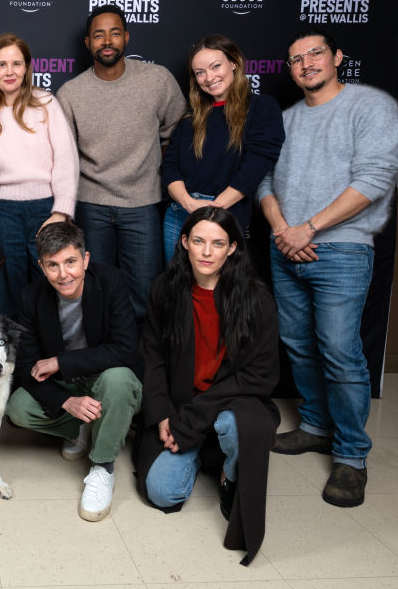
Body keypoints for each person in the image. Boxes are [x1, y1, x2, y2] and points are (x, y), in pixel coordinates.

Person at [257, 27, 398, 507]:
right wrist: (283, 227)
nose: (306, 64)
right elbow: (262, 178)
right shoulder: (285, 119)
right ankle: (316, 427)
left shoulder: (368, 107)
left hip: (341, 250)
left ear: (337, 57)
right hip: (286, 249)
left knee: (341, 354)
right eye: (296, 59)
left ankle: (350, 457)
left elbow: (375, 178)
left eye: (315, 54)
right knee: (299, 347)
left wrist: (310, 228)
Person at [135, 207, 279, 566]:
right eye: (198, 241)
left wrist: (190, 423)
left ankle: (230, 474)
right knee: (163, 493)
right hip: (180, 405)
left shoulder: (256, 298)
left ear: (232, 248)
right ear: (184, 243)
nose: (206, 252)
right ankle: (202, 454)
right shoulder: (166, 290)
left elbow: (260, 376)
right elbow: (151, 359)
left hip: (230, 404)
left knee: (234, 424)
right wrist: (164, 414)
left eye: (217, 243)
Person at [57, 4, 185, 323]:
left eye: (115, 33)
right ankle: (102, 368)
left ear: (126, 37)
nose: (107, 41)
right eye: (98, 35)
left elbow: (178, 134)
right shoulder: (70, 93)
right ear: (87, 43)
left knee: (144, 296)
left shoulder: (157, 80)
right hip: (91, 205)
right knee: (95, 295)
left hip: (142, 205)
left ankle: (138, 371)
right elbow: (63, 158)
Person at [5, 221, 140, 522]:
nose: (63, 274)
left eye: (70, 262)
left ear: (86, 259)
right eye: (52, 265)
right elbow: (27, 368)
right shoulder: (31, 297)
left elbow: (126, 350)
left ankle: (102, 465)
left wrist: (61, 361)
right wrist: (66, 402)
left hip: (106, 378)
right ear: (41, 266)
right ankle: (82, 427)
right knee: (18, 409)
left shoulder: (111, 281)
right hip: (68, 387)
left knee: (119, 380)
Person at [0, 33, 79, 319]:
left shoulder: (46, 103)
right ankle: (8, 359)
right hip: (2, 213)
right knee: (5, 289)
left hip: (45, 208)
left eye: (16, 64)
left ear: (27, 68)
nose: (9, 72)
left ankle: (47, 357)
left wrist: (60, 213)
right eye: (1, 64)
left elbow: (66, 160)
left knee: (49, 286)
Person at [160, 34, 284, 262]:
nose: (209, 77)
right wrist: (189, 203)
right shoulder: (190, 119)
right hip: (180, 214)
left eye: (215, 66)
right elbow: (169, 167)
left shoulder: (261, 108)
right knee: (178, 292)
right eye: (200, 72)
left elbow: (255, 166)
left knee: (223, 293)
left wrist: (212, 210)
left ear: (233, 63)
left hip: (228, 214)